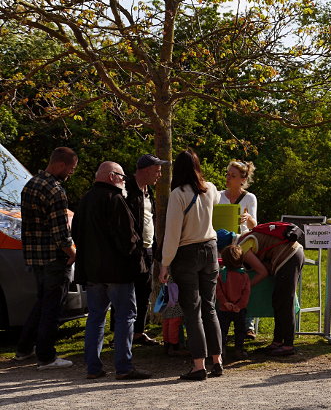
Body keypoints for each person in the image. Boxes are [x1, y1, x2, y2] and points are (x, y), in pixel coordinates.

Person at [72, 161, 152, 380]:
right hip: (117, 271)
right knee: (126, 317)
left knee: (96, 318)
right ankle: (124, 366)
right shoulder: (115, 199)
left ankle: (93, 367)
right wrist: (139, 261)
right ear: (112, 176)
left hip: (93, 272)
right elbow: (128, 238)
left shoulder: (86, 200)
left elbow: (76, 232)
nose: (124, 180)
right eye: (122, 176)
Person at [159, 149, 223, 381]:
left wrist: (165, 264)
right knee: (210, 307)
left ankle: (199, 365)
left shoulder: (178, 194)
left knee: (192, 311)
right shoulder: (211, 189)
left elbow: (173, 233)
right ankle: (217, 360)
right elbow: (216, 199)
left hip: (187, 253)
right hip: (210, 249)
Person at [13, 147, 78, 370]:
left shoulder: (31, 184)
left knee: (42, 303)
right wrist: (73, 254)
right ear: (60, 164)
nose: (71, 172)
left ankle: (23, 349)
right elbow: (60, 232)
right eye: (71, 168)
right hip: (54, 257)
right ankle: (46, 356)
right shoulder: (55, 190)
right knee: (53, 307)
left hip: (35, 257)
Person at [109, 153, 167, 346]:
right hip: (131, 250)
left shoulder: (148, 191)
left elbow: (150, 220)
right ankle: (119, 333)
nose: (159, 174)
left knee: (144, 290)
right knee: (126, 291)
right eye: (157, 170)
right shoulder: (126, 190)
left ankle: (138, 333)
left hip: (147, 249)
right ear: (146, 170)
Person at [237, 225, 304, 356]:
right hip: (291, 253)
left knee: (285, 302)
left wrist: (245, 288)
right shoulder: (246, 239)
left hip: (289, 255)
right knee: (278, 300)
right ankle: (278, 342)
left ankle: (288, 345)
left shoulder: (242, 247)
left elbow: (262, 272)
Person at [219, 160, 259, 339]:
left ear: (242, 179)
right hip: (221, 244)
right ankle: (221, 320)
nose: (228, 178)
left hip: (242, 244)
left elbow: (255, 226)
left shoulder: (250, 198)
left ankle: (247, 323)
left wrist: (248, 217)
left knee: (245, 275)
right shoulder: (218, 195)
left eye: (232, 176)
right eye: (227, 174)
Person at [216, 245, 253, 360]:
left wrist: (225, 302)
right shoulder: (244, 275)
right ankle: (239, 350)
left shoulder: (221, 274)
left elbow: (218, 291)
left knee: (222, 331)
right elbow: (246, 293)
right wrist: (239, 305)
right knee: (240, 330)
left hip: (224, 308)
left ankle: (221, 351)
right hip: (239, 309)